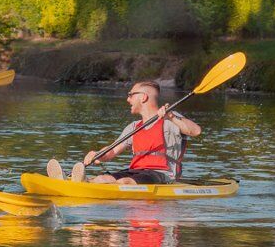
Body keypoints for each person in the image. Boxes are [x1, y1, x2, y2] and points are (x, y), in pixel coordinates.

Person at [48, 80, 201, 186]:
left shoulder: (169, 118)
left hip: (162, 174)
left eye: (130, 94)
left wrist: (172, 117)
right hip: (135, 172)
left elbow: (195, 131)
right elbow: (112, 151)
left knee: (123, 182)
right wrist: (96, 154)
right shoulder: (133, 127)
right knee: (102, 179)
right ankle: (79, 181)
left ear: (143, 97)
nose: (127, 99)